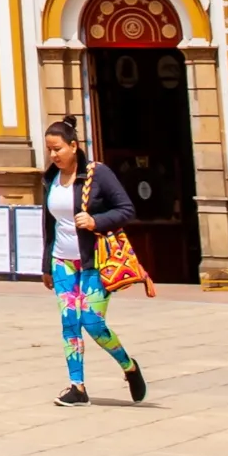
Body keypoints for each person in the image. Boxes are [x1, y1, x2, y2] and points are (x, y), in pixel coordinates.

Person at [42, 116, 148, 406]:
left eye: (58, 149)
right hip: (62, 262)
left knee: (92, 322)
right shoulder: (50, 178)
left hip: (94, 262)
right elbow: (48, 225)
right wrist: (45, 266)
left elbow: (126, 209)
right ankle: (77, 387)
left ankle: (129, 366)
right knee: (69, 323)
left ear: (74, 146)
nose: (53, 155)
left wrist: (95, 221)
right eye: (49, 149)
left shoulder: (97, 174)